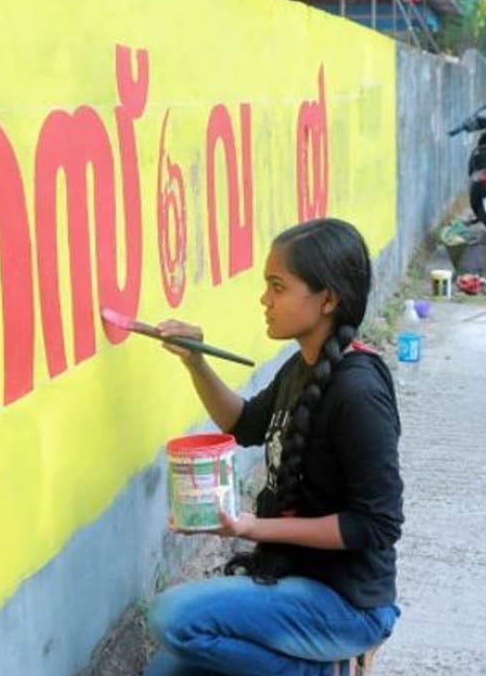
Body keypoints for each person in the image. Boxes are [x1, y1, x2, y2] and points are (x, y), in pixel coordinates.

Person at [144, 218, 403, 676]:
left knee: (174, 618)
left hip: (349, 606)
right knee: (166, 670)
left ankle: (327, 671)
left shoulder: (358, 393)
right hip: (296, 582)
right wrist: (196, 361)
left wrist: (251, 528)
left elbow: (375, 525)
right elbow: (242, 424)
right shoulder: (302, 367)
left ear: (328, 299)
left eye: (277, 286)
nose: (265, 300)